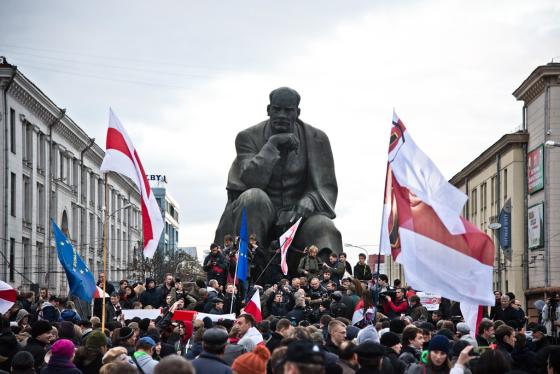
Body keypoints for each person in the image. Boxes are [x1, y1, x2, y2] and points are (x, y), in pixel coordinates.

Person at [214, 87, 342, 263]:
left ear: (297, 112)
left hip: (298, 219)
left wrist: (310, 200)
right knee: (254, 197)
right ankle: (248, 268)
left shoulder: (317, 138)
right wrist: (272, 144)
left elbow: (326, 187)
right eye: (277, 109)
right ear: (268, 110)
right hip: (260, 215)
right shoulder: (247, 137)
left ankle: (324, 281)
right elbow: (251, 180)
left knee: (323, 226)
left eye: (288, 110)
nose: (282, 114)